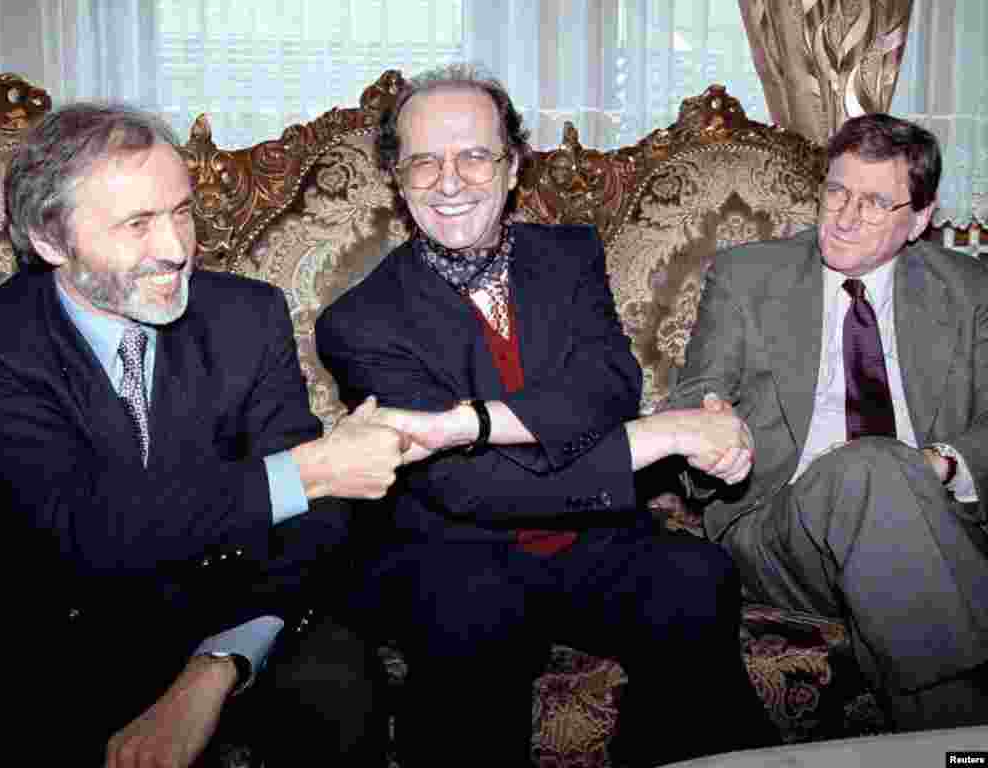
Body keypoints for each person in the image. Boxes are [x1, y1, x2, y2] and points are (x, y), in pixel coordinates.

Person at [315, 63, 776, 768]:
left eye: (475, 155)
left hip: (588, 539)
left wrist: (473, 421)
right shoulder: (359, 321)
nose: (449, 181)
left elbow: (607, 387)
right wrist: (667, 435)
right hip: (451, 549)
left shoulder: (568, 256)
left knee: (696, 575)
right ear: (395, 179)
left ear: (512, 167)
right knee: (476, 612)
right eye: (424, 162)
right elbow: (465, 486)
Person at [0, 103, 409, 767]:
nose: (176, 249)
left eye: (181, 212)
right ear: (51, 240)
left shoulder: (245, 315)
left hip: (229, 603)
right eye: (138, 223)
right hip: (57, 625)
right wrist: (307, 470)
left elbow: (315, 523)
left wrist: (221, 660)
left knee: (341, 689)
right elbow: (79, 529)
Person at [666, 112, 988, 732]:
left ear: (919, 219)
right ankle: (962, 738)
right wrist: (710, 422)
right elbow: (701, 387)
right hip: (782, 531)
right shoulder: (748, 276)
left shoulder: (968, 289)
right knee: (869, 464)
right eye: (836, 190)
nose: (842, 216)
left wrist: (942, 463)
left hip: (929, 520)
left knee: (883, 473)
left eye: (873, 202)